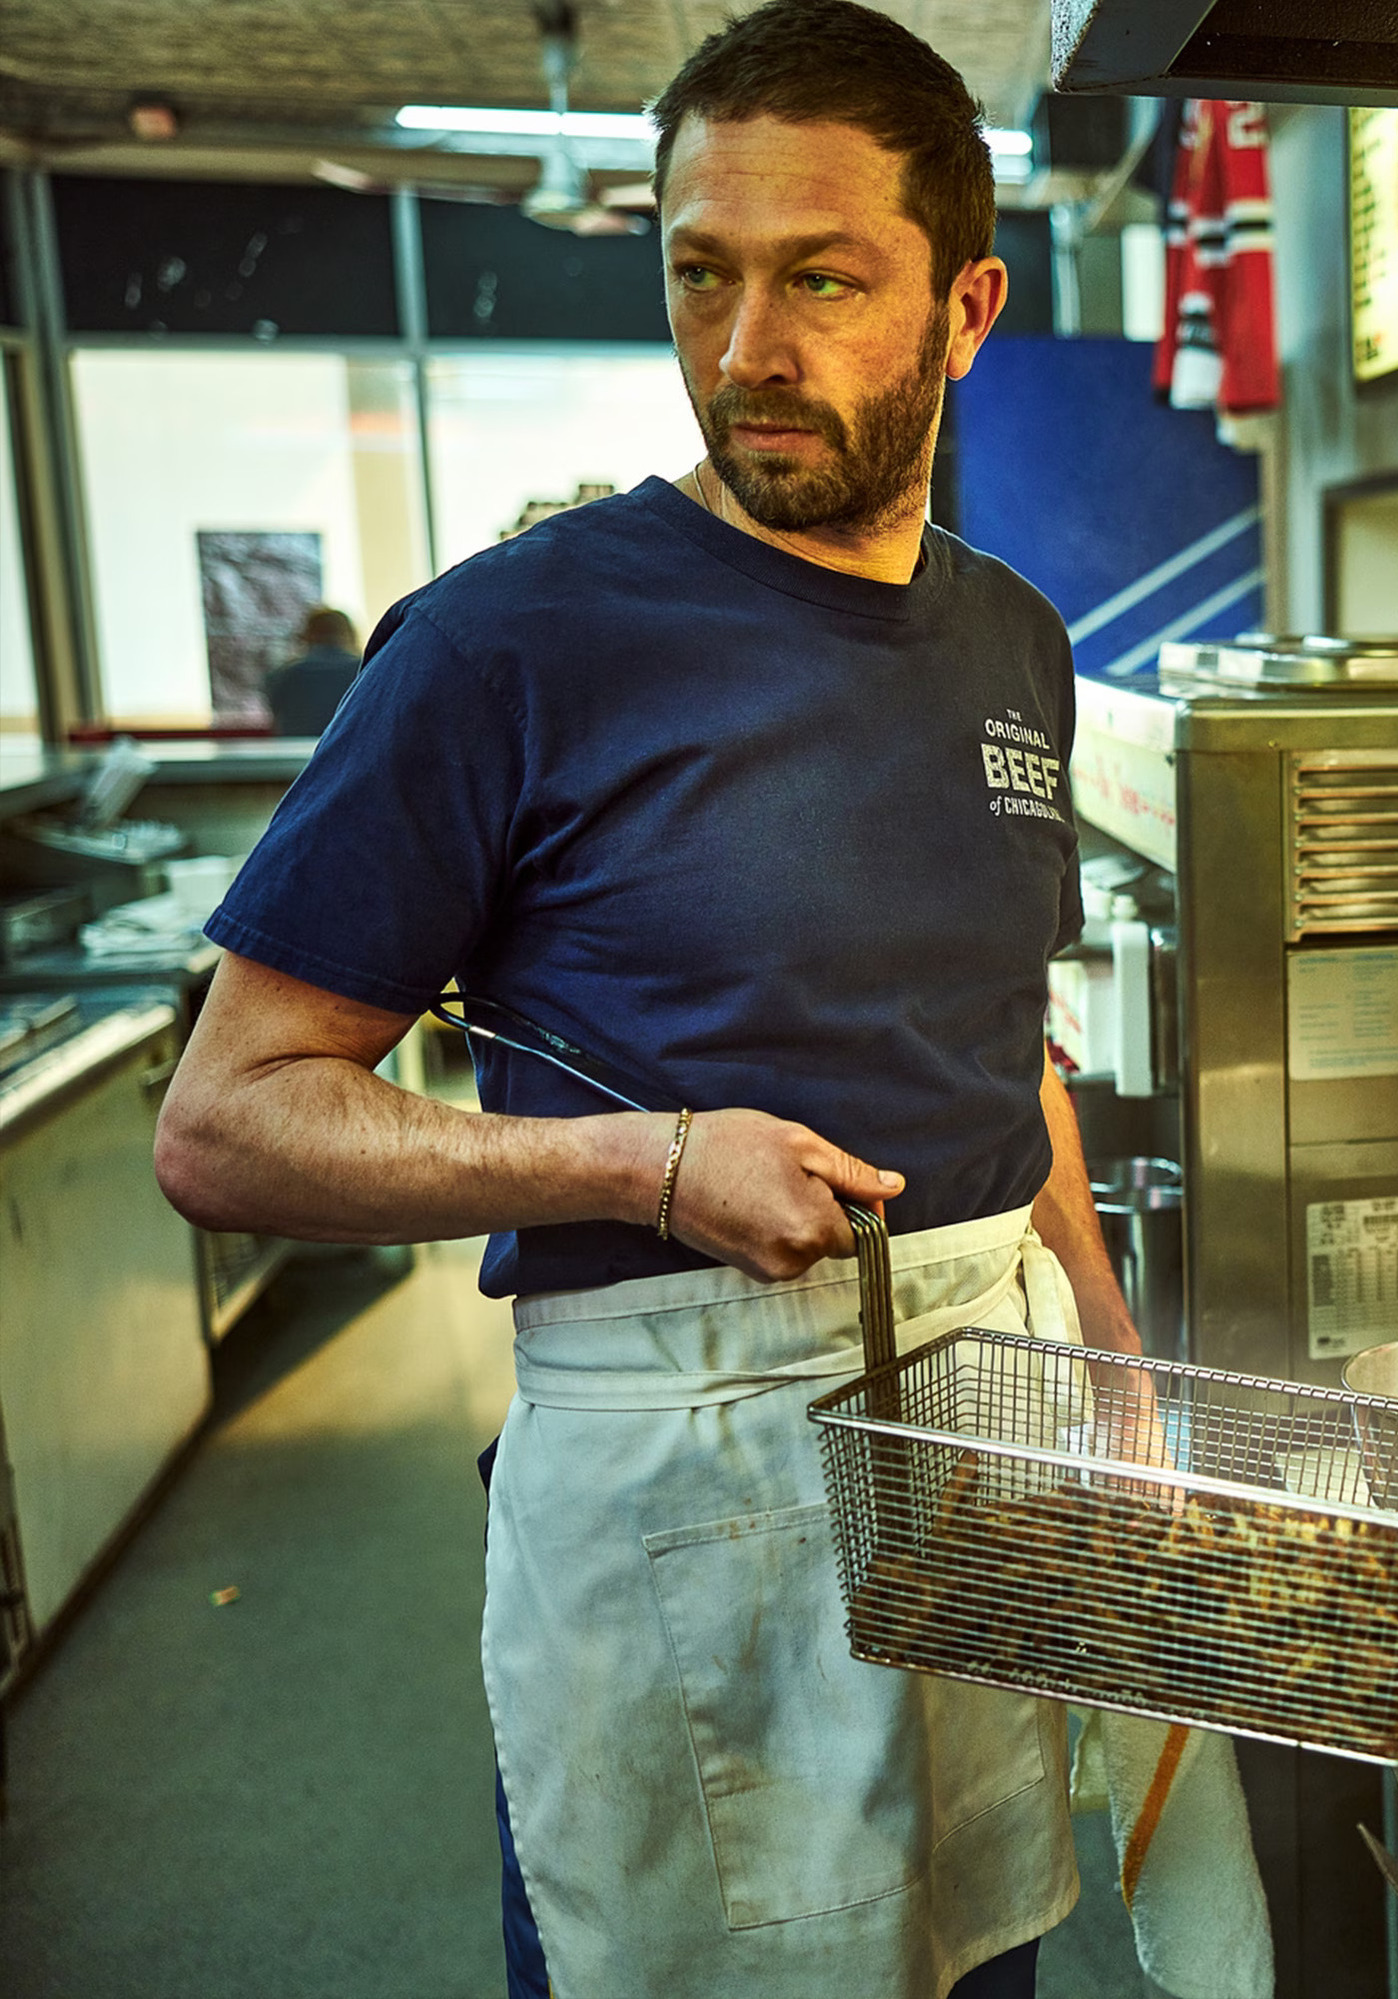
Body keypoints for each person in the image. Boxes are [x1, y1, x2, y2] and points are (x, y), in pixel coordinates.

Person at [153, 6, 1144, 1995]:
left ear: (966, 310)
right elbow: (228, 1115)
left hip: (987, 1437)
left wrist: (1114, 1363)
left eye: (820, 282)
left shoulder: (1017, 643)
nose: (744, 348)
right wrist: (649, 1163)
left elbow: (999, 1043)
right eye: (702, 274)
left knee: (984, 1953)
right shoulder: (508, 643)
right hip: (693, 1489)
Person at [260, 605, 361, 736]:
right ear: (350, 634)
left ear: (307, 635)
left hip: (296, 751)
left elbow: (276, 713)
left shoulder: (284, 674)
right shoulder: (365, 671)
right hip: (350, 750)